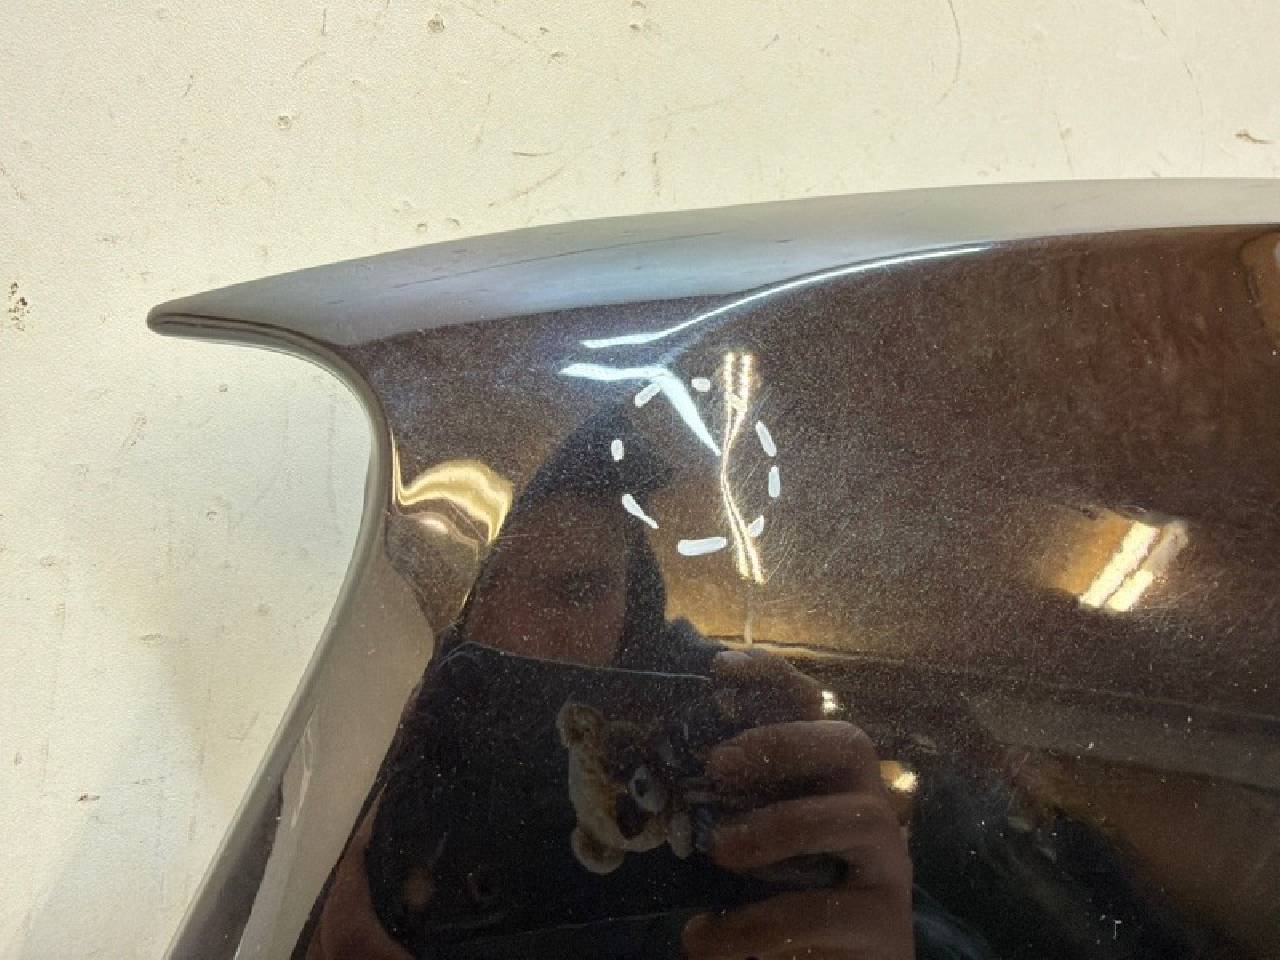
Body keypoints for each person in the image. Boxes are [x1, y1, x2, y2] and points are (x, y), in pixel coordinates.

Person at [298, 414, 915, 959]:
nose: (522, 633)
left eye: (578, 591)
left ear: (634, 610)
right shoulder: (356, 742)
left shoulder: (714, 724)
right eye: (483, 587)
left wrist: (887, 928)